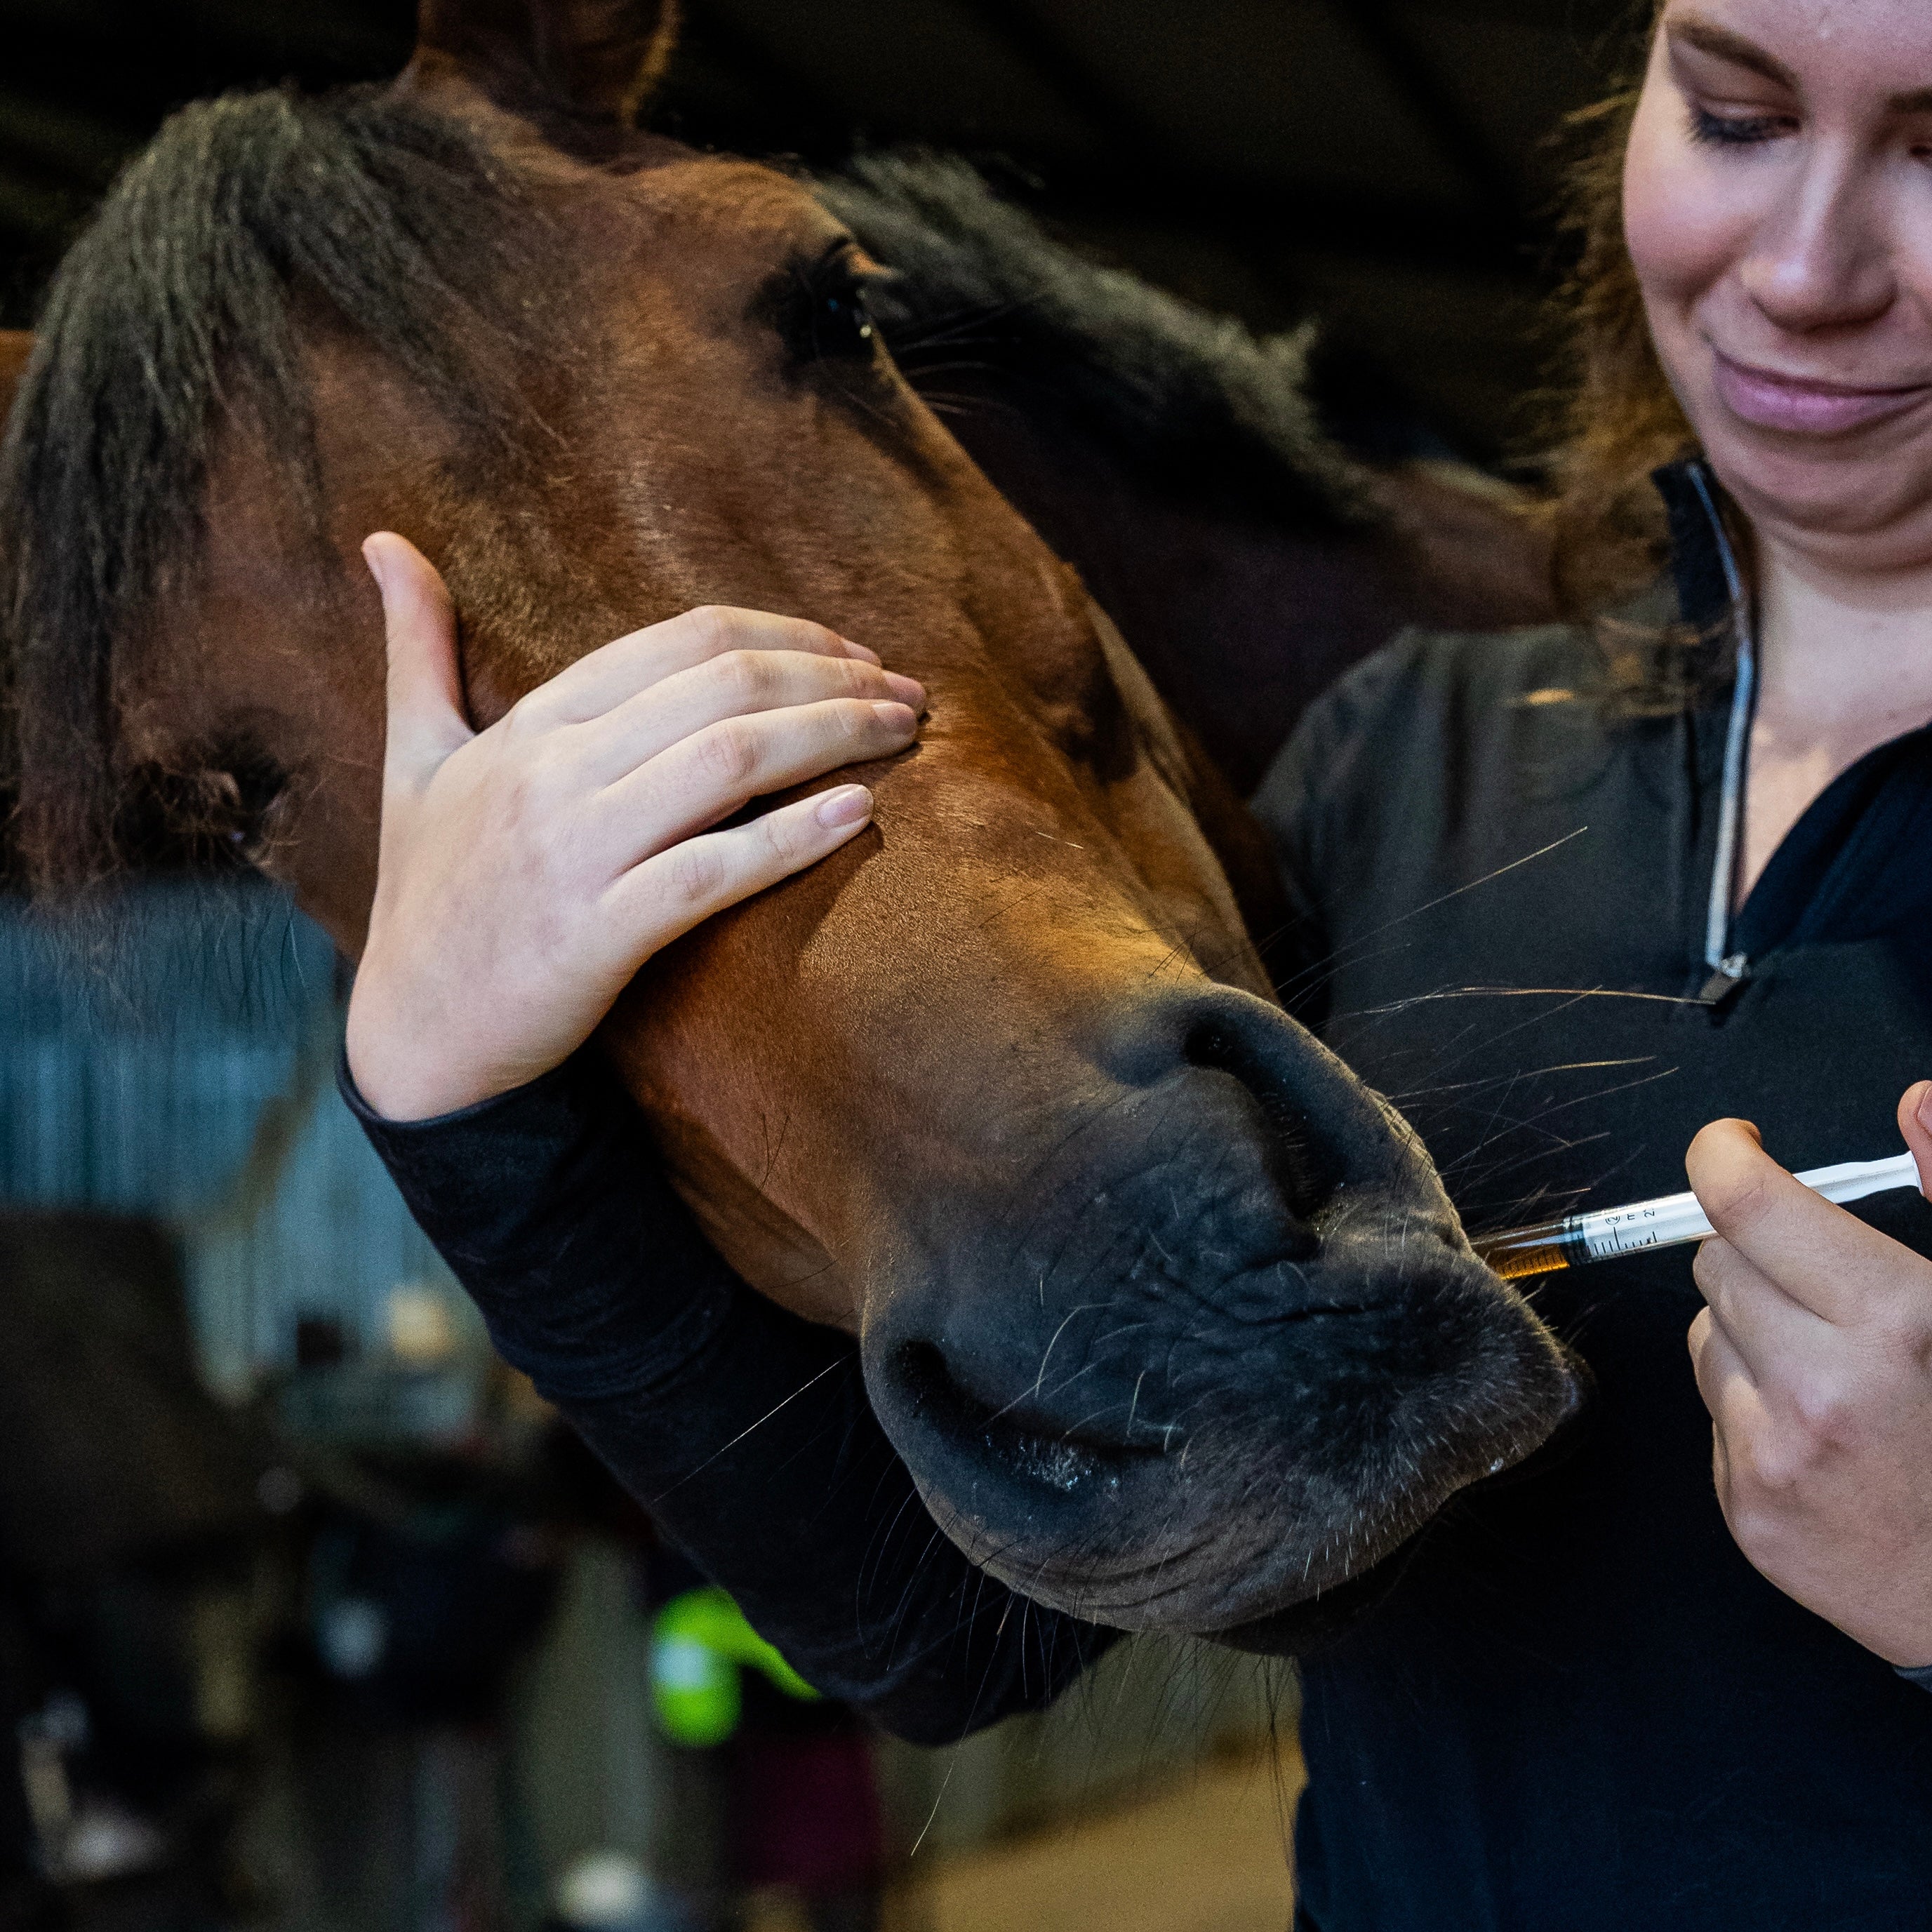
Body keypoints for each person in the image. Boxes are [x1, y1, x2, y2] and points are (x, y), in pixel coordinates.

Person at [342, 0, 1932, 1921]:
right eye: (1736, 113)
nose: (1798, 270)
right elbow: (952, 1635)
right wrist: (456, 1090)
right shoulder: (1410, 756)